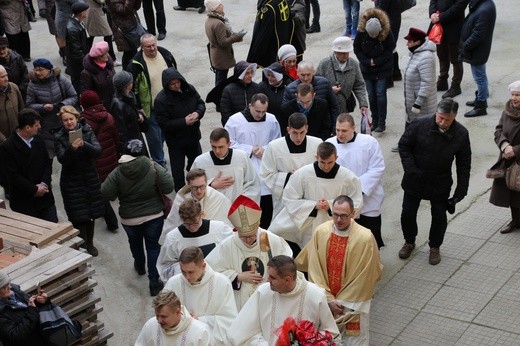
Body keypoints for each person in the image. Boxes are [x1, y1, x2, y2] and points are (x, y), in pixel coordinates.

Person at [296, 195, 383, 345]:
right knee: (326, 339)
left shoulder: (365, 237)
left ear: (353, 214)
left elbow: (366, 275)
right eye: (335, 214)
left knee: (353, 340)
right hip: (325, 300)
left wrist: (342, 302)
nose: (338, 219)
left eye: (343, 215)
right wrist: (328, 298)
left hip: (352, 304)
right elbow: (314, 268)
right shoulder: (321, 231)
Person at [398, 98, 471, 265]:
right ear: (436, 113)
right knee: (407, 213)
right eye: (440, 117)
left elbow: (464, 164)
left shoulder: (461, 134)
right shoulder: (418, 124)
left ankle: (435, 246)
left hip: (440, 181)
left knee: (439, 216)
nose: (443, 122)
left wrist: (461, 191)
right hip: (415, 179)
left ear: (454, 117)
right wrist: (411, 170)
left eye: (447, 119)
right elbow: (404, 146)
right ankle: (409, 241)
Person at [101, 139, 174, 295]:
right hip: (154, 216)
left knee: (135, 243)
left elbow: (106, 192)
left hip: (129, 219)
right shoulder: (152, 166)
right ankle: (154, 282)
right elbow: (168, 186)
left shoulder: (117, 172)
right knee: (153, 247)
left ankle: (140, 265)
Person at [268, 142, 363, 256]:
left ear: (336, 158)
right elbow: (289, 197)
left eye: (330, 162)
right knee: (275, 232)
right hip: (308, 223)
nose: (326, 167)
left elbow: (356, 202)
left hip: (335, 223)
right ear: (316, 157)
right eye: (322, 162)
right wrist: (313, 206)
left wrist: (331, 205)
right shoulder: (303, 174)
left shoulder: (348, 177)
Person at [227, 255, 339, 345]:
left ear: (287, 279)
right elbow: (244, 331)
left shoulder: (316, 295)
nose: (267, 280)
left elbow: (331, 334)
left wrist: (309, 342)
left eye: (272, 277)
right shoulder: (263, 292)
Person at [206, 195, 292, 310]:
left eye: (251, 236)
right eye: (243, 237)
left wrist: (274, 277)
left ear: (258, 225)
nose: (248, 240)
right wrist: (237, 276)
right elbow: (211, 272)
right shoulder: (227, 245)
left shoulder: (271, 240)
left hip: (270, 298)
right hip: (240, 304)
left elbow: (287, 266)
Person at [327, 113, 385, 248]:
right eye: (337, 130)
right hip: (340, 201)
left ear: (353, 128)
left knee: (371, 238)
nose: (340, 134)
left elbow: (377, 168)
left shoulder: (369, 142)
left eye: (344, 131)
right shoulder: (329, 144)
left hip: (368, 201)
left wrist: (356, 190)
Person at [224, 93, 281, 228]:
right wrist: (250, 149)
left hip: (265, 164)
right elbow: (228, 143)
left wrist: (265, 149)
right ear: (250, 106)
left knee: (266, 203)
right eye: (257, 111)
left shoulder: (272, 120)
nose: (260, 115)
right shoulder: (235, 120)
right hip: (245, 164)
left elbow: (277, 141)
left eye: (263, 111)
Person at [55, 105, 104, 256]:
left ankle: (90, 243)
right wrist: (72, 148)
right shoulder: (59, 137)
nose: (69, 122)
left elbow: (97, 151)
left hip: (89, 177)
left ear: (76, 118)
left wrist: (84, 144)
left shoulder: (87, 131)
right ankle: (81, 244)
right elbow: (62, 159)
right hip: (71, 181)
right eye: (65, 120)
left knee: (90, 214)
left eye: (71, 119)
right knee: (78, 217)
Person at [163, 247, 237, 344]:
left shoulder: (222, 283)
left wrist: (199, 320)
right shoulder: (173, 283)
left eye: (190, 272)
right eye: (183, 271)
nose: (187, 277)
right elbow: (162, 313)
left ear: (203, 266)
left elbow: (229, 320)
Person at [260, 112, 322, 220]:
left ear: (307, 128)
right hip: (284, 200)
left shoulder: (317, 144)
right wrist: (290, 177)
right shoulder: (274, 147)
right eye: (295, 132)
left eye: (302, 132)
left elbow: (324, 169)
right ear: (288, 129)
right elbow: (266, 175)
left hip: (310, 199)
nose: (298, 137)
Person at [128, 33, 177, 167]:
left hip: (169, 105)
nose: (152, 48)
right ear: (141, 47)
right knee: (155, 139)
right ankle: (159, 165)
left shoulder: (166, 55)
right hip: (151, 108)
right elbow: (132, 89)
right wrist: (138, 107)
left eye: (153, 45)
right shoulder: (136, 64)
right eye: (148, 46)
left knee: (168, 135)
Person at [0, 109, 58, 222]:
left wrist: (44, 183)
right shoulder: (7, 147)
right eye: (36, 125)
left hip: (45, 198)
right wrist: (34, 189)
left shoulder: (39, 139)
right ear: (27, 128)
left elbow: (47, 162)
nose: (40, 127)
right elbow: (12, 176)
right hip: (24, 202)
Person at [154, 68, 205, 191]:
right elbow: (163, 123)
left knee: (197, 166)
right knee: (177, 171)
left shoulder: (189, 89)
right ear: (167, 85)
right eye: (173, 84)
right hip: (176, 142)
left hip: (193, 137)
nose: (176, 85)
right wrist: (184, 122)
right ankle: (181, 193)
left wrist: (197, 113)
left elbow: (200, 103)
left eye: (178, 82)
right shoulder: (161, 100)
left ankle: (198, 187)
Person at [157, 199, 232, 281]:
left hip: (215, 281)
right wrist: (186, 269)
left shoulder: (220, 229)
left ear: (202, 214)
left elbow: (231, 252)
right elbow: (164, 267)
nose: (192, 228)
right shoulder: (173, 238)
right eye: (187, 224)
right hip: (188, 283)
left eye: (195, 223)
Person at [80, 90, 120, 232]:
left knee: (100, 192)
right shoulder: (109, 117)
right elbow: (116, 139)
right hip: (111, 159)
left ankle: (111, 222)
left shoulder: (83, 122)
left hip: (95, 163)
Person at [192, 128, 261, 204]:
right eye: (214, 147)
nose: (217, 151)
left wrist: (242, 201)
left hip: (238, 208)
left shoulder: (241, 157)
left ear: (229, 144)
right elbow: (191, 188)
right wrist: (211, 185)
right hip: (211, 209)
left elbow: (253, 184)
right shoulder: (200, 161)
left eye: (221, 147)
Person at [25, 58, 78, 157]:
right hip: (46, 127)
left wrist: (62, 105)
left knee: (69, 153)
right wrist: (42, 107)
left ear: (49, 69)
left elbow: (74, 96)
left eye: (41, 69)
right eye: (36, 69)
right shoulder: (32, 84)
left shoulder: (60, 79)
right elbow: (29, 105)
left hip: (64, 123)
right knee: (49, 155)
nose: (38, 72)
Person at [354, 8, 395, 133]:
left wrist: (377, 61)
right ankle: (375, 120)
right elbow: (357, 48)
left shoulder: (387, 33)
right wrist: (366, 62)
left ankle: (381, 122)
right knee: (371, 96)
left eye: (375, 35)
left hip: (382, 69)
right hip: (367, 69)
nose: (373, 36)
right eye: (370, 34)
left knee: (380, 94)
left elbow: (390, 49)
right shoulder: (361, 33)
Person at [489, 81, 520, 234]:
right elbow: (498, 130)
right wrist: (504, 145)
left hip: (517, 157)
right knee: (512, 191)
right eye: (513, 94)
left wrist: (515, 150)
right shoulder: (507, 110)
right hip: (507, 160)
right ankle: (515, 220)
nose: (514, 98)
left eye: (518, 95)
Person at [162, 168, 233, 234]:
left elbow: (228, 223)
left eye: (202, 186)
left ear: (206, 183)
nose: (199, 191)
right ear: (189, 185)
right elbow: (173, 224)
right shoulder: (181, 199)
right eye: (195, 187)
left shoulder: (218, 198)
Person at [460, 0, 496, 118]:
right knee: (481, 76)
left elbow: (478, 34)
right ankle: (481, 97)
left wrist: (465, 46)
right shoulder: (483, 5)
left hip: (477, 50)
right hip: (478, 50)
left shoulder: (484, 9)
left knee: (479, 78)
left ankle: (481, 105)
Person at [135, 290, 212, 345]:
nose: (159, 320)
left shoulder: (200, 332)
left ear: (178, 312)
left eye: (163, 316)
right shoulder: (150, 325)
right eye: (157, 315)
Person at [316, 36, 369, 117]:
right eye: (343, 53)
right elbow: (316, 85)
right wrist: (330, 90)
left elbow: (359, 85)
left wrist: (363, 103)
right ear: (336, 52)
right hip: (327, 110)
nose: (346, 55)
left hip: (344, 110)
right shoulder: (324, 64)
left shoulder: (354, 64)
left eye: (347, 53)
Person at [428, 0, 469, 98]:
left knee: (456, 59)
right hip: (439, 27)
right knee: (441, 55)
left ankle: (455, 86)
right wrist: (432, 13)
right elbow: (433, 1)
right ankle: (442, 80)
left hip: (454, 27)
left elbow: (459, 7)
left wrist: (440, 17)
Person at [283, 61, 340, 129]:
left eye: (308, 74)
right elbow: (285, 112)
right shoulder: (290, 89)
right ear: (297, 73)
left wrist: (334, 127)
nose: (306, 78)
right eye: (303, 75)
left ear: (313, 72)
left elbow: (334, 106)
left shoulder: (324, 83)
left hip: (321, 127)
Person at [0, 270, 50, 345]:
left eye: (9, 283)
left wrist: (41, 301)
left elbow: (32, 305)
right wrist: (32, 310)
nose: (10, 287)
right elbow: (14, 337)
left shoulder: (15, 291)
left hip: (44, 338)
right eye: (4, 287)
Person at [204, 0, 245, 86]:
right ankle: (218, 98)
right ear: (215, 9)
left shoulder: (209, 20)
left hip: (216, 55)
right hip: (221, 57)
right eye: (219, 5)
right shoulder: (219, 23)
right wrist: (237, 36)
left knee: (219, 78)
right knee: (220, 82)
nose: (222, 5)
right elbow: (223, 42)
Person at [403, 28, 437, 124]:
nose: (407, 44)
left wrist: (418, 103)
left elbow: (427, 83)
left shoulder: (426, 58)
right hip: (413, 107)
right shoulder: (414, 53)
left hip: (422, 108)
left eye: (409, 41)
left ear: (418, 42)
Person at [246, 0, 295, 68]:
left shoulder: (269, 8)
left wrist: (254, 56)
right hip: (284, 42)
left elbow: (264, 34)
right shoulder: (282, 1)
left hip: (272, 49)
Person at [110, 70, 146, 155]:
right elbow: (121, 130)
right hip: (131, 144)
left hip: (136, 136)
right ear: (127, 86)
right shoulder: (118, 105)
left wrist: (139, 114)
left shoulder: (129, 96)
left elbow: (134, 109)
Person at [218, 61, 262, 126]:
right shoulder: (228, 90)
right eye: (247, 73)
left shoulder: (257, 88)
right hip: (236, 127)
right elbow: (226, 113)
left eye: (251, 72)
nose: (250, 76)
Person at [105, 0, 142, 69]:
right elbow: (124, 10)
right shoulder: (112, 1)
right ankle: (127, 71)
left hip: (132, 25)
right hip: (123, 29)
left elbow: (136, 7)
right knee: (129, 52)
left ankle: (130, 71)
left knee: (132, 50)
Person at [80, 41, 116, 110]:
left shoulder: (109, 65)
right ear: (99, 57)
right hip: (101, 107)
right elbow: (86, 94)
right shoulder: (86, 73)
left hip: (114, 103)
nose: (108, 55)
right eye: (106, 53)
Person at [84, 0, 119, 64]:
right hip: (95, 12)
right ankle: (111, 58)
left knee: (91, 35)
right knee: (108, 34)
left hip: (92, 10)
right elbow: (101, 1)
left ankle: (87, 58)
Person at [259, 62, 293, 128]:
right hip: (267, 123)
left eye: (273, 76)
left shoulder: (289, 87)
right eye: (268, 75)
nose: (270, 78)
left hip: (284, 123)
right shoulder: (262, 87)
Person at [0, 66, 24, 144]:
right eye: (2, 77)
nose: (6, 78)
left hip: (17, 136)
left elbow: (22, 110)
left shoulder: (13, 87)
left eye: (6, 75)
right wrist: (4, 140)